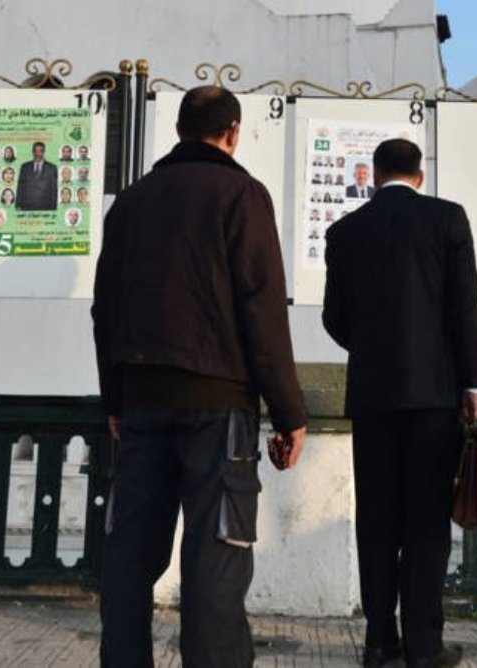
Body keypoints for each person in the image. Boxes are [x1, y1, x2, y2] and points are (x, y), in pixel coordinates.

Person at [93, 86, 307, 668]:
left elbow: (104, 307)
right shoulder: (242, 195)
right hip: (219, 404)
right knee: (215, 558)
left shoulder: (132, 202)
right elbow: (261, 309)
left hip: (141, 401)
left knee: (129, 556)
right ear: (233, 132)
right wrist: (289, 413)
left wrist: (115, 397)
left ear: (180, 129)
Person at [324, 139, 477, 668]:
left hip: (371, 398)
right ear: (420, 175)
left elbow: (334, 319)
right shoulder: (447, 219)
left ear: (374, 175)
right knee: (425, 522)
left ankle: (378, 642)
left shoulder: (344, 232)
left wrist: (372, 350)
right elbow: (465, 308)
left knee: (376, 521)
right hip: (435, 398)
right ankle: (423, 645)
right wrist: (473, 385)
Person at [16, 142, 58, 211]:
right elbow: (20, 186)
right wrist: (18, 204)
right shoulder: (24, 167)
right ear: (33, 152)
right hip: (27, 205)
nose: (37, 154)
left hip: (45, 205)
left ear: (44, 152)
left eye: (40, 151)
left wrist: (53, 208)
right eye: (35, 151)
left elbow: (54, 189)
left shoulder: (52, 168)